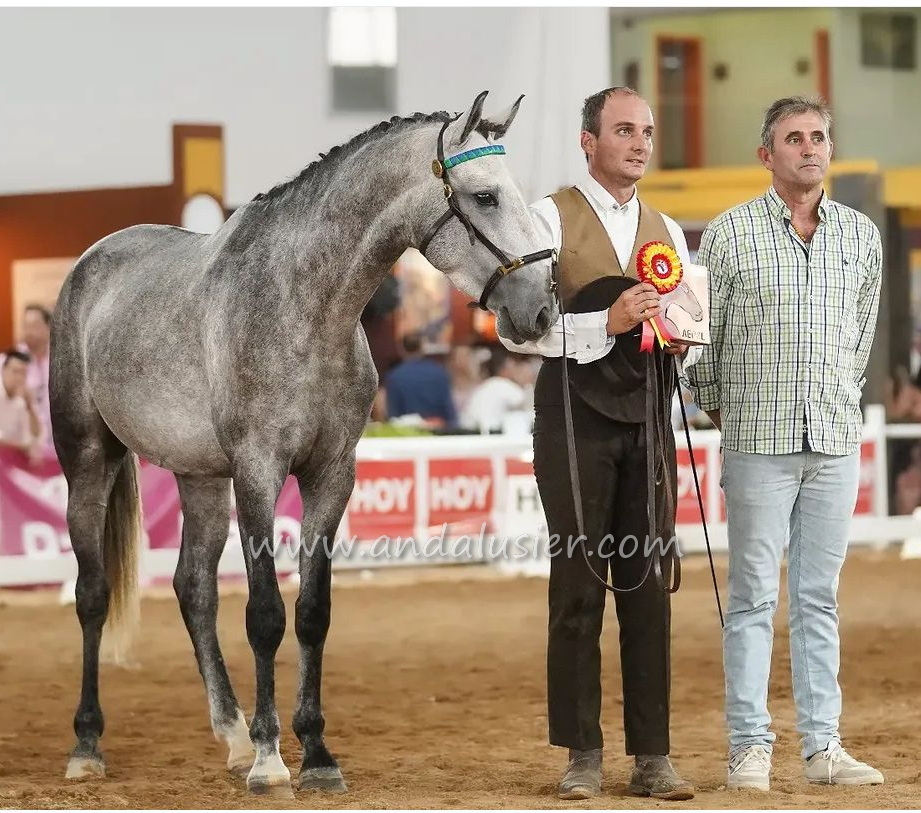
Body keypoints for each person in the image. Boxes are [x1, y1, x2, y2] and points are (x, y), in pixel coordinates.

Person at [684, 95, 884, 790]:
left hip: (832, 440)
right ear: (766, 155)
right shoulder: (728, 233)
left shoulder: (861, 236)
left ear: (830, 148)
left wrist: (838, 401)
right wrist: (727, 413)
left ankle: (824, 747)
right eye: (793, 138)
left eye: (818, 136)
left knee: (818, 598)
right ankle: (749, 747)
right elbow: (702, 341)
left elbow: (860, 339)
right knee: (750, 600)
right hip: (756, 442)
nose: (809, 147)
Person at [502, 86, 694, 801]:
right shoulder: (546, 218)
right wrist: (603, 324)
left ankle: (653, 756)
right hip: (571, 420)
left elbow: (685, 327)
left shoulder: (667, 230)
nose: (639, 143)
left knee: (648, 589)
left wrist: (681, 339)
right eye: (623, 130)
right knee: (577, 587)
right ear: (589, 141)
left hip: (647, 419)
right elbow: (515, 329)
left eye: (646, 131)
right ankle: (581, 752)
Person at [384, 332, 458, 427]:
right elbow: (449, 410)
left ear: (401, 349)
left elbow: (393, 414)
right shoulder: (439, 372)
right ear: (422, 348)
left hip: (408, 431)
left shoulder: (394, 376)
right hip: (438, 428)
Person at [460, 347, 531, 433]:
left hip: (475, 434)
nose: (515, 371)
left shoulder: (482, 387)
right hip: (493, 435)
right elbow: (526, 402)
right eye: (512, 367)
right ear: (504, 369)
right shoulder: (503, 384)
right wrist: (525, 384)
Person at [17, 304, 53, 445]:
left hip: (57, 442)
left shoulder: (60, 359)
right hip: (24, 443)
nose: (29, 332)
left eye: (34, 326)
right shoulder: (9, 363)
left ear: (49, 327)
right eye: (26, 326)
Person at [0, 349, 44, 462]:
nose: (19, 378)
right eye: (15, 371)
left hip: (10, 461)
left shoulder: (21, 402)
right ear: (3, 370)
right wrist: (20, 446)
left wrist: (30, 407)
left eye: (23, 373)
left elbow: (36, 435)